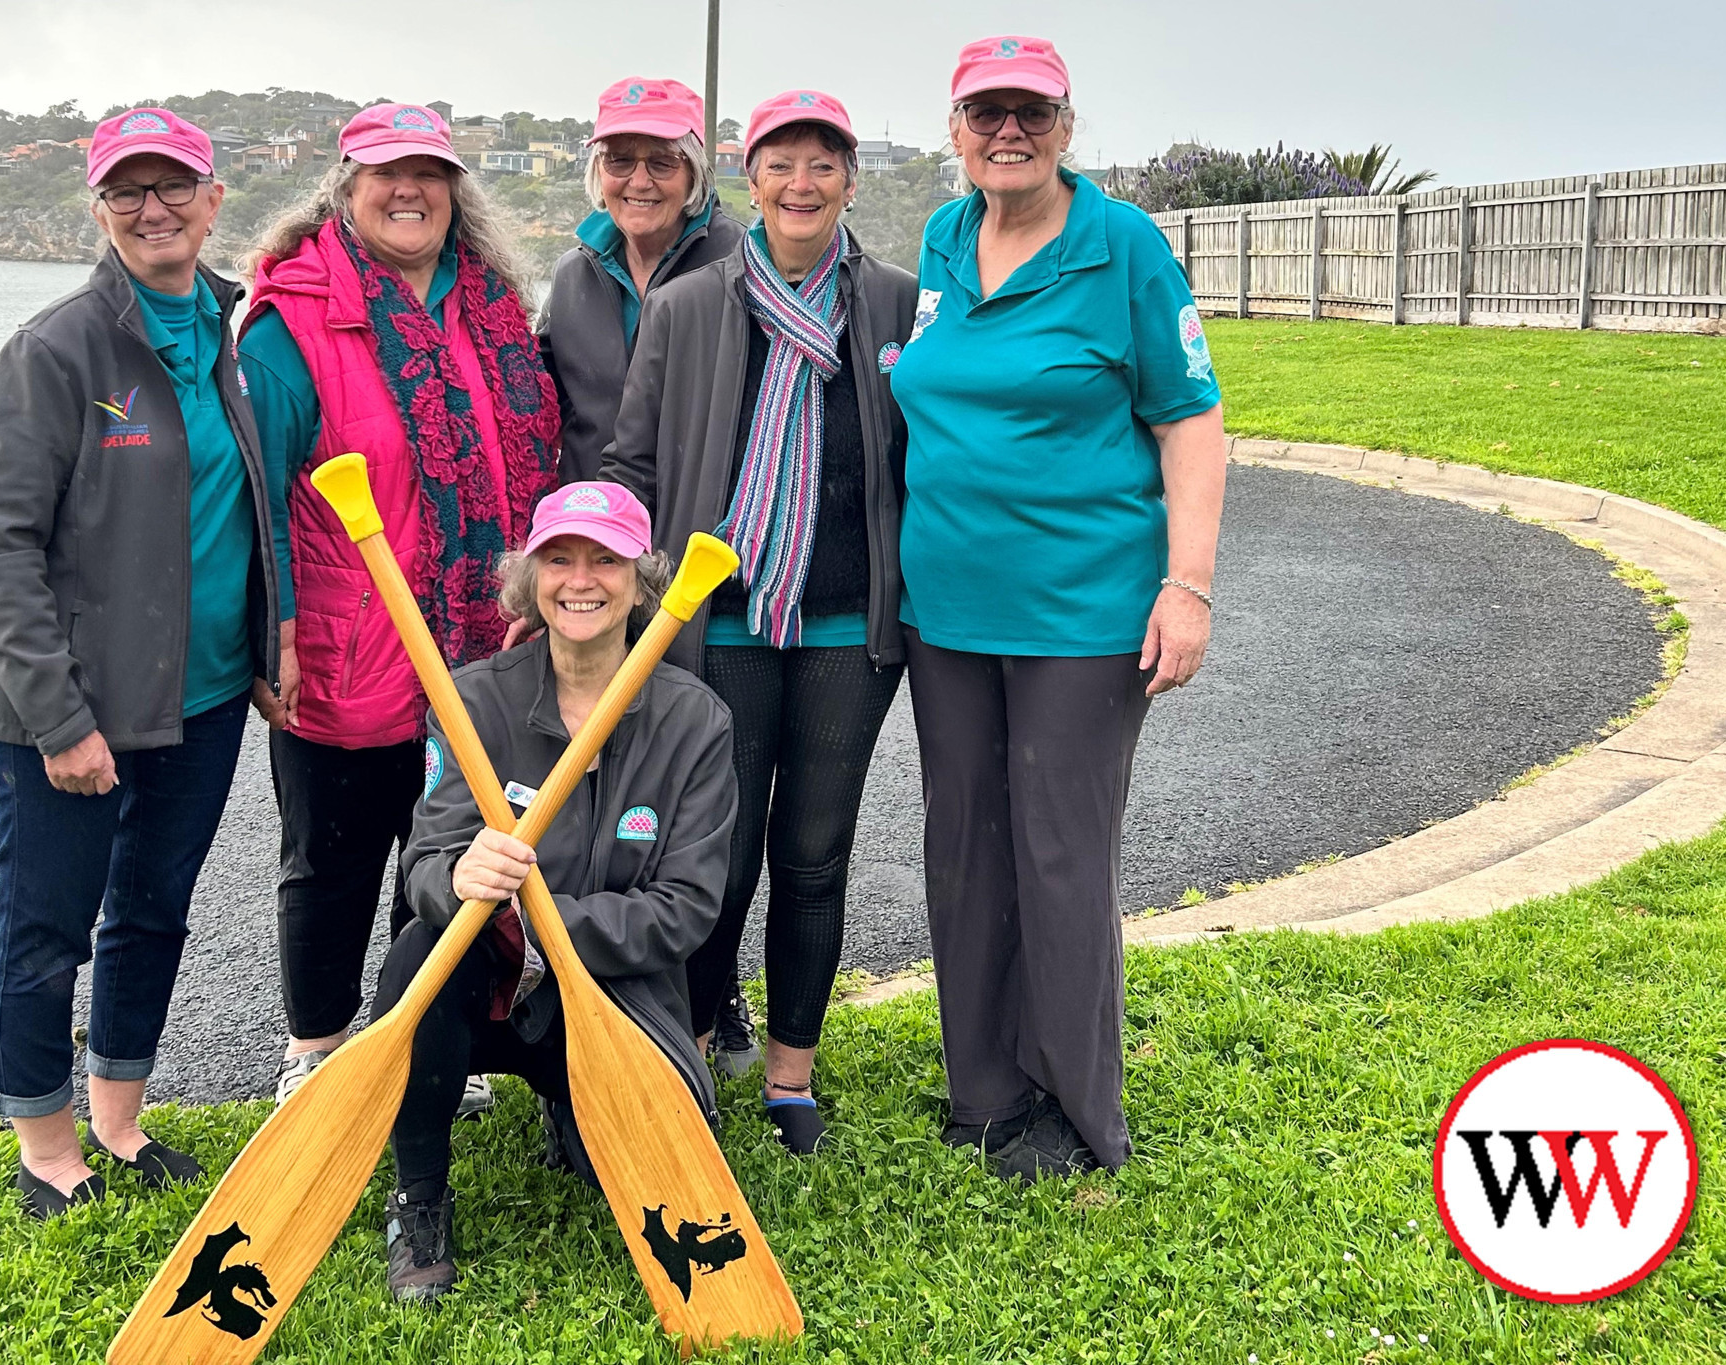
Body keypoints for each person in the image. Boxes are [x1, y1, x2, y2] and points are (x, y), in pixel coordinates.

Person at [889, 36, 1228, 1183]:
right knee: (963, 846)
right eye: (985, 113)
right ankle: (983, 1085)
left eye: (1028, 113)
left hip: (1081, 610)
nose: (1007, 132)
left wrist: (1186, 585)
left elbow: (1187, 417)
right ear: (956, 131)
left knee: (1060, 853)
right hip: (944, 610)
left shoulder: (1121, 245)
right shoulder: (944, 238)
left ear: (1065, 126)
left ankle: (1075, 1109)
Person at [0, 108, 282, 1218]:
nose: (153, 210)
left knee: (152, 913)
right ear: (98, 209)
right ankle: (46, 1148)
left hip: (200, 701)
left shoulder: (227, 332)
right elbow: (1, 548)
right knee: (46, 924)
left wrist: (266, 646)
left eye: (174, 187)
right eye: (126, 193)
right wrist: (58, 720)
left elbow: (240, 513)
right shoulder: (57, 349)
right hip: (74, 710)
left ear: (211, 198)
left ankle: (119, 1120)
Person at [603, 90, 918, 1155]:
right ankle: (688, 1054)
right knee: (717, 860)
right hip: (720, 626)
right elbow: (632, 465)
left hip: (843, 628)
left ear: (848, 179)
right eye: (779, 164)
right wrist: (619, 597)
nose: (799, 183)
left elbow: (928, 459)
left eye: (821, 164)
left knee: (814, 857)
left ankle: (790, 1078)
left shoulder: (891, 302)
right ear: (748, 179)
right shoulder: (689, 306)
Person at [236, 104, 562, 1112]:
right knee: (332, 855)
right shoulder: (293, 318)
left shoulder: (494, 307)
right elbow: (257, 490)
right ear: (346, 185)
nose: (408, 190)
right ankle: (318, 1052)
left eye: (429, 172)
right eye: (386, 173)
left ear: (455, 189)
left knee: (448, 854)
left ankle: (421, 1033)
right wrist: (273, 627)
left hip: (475, 644)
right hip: (348, 642)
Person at [376, 482, 736, 1302]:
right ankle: (420, 1198)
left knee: (630, 1176)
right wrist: (455, 877)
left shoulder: (696, 723)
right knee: (419, 951)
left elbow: (685, 908)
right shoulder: (473, 699)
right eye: (560, 559)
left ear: (642, 582)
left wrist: (543, 925)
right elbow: (426, 859)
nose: (582, 579)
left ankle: (571, 1108)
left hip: (614, 994)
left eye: (605, 559)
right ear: (528, 579)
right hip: (484, 985)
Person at [539, 77, 744, 480]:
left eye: (662, 161)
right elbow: (541, 399)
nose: (639, 181)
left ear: (694, 172)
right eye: (619, 160)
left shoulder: (741, 267)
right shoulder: (573, 274)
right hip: (593, 529)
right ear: (599, 170)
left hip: (699, 530)